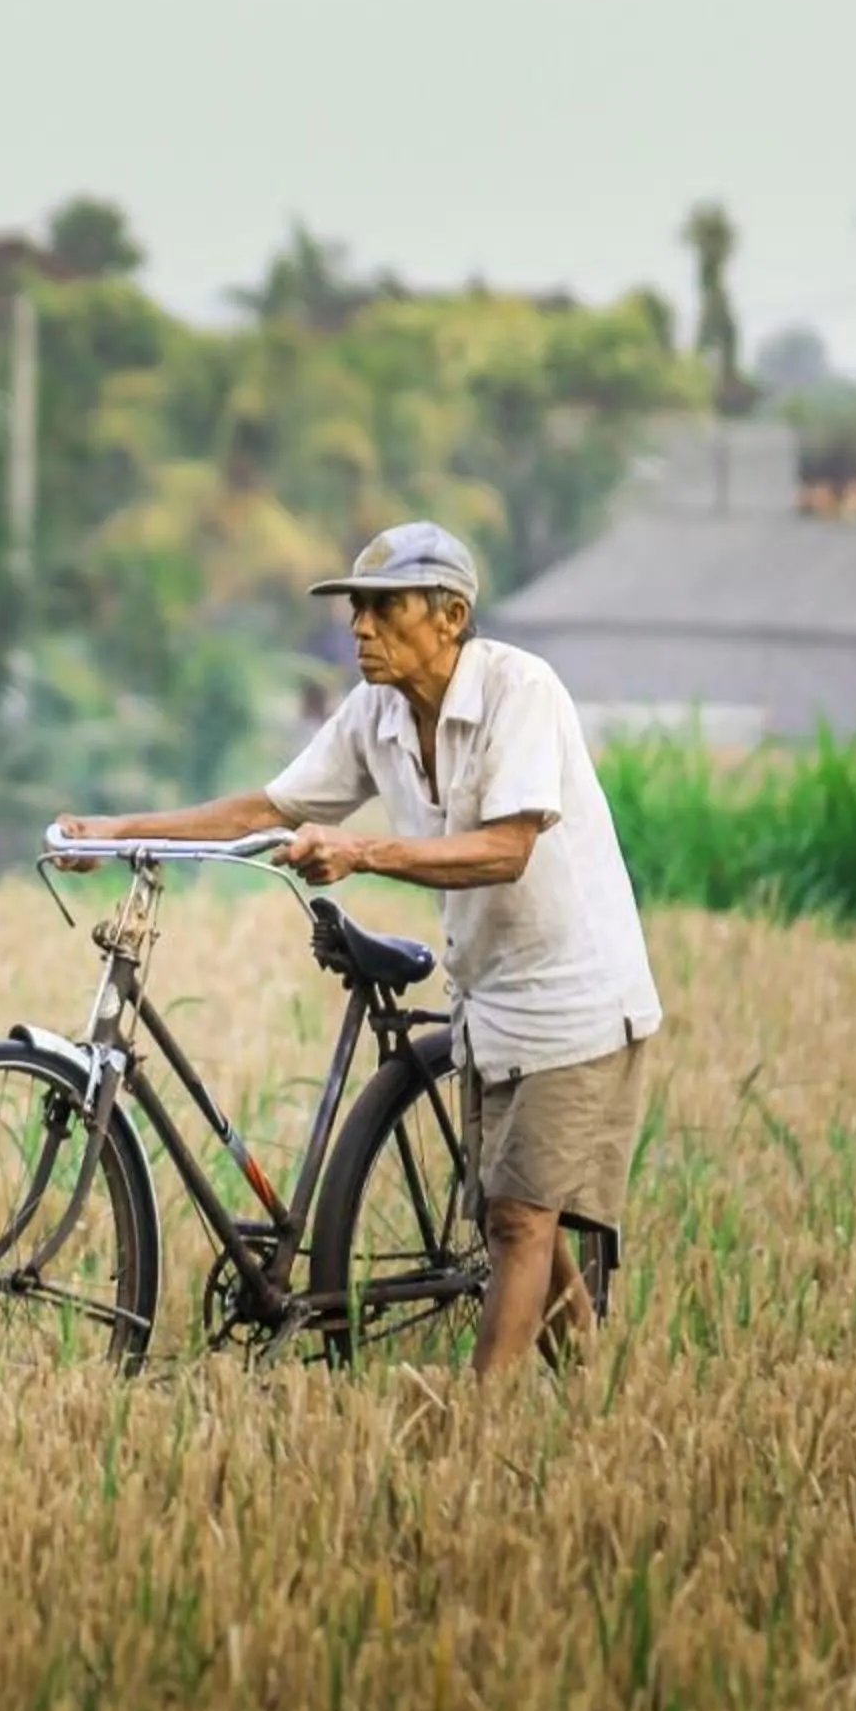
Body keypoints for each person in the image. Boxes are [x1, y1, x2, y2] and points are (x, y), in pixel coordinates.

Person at [55, 521, 662, 1380]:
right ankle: (595, 1387)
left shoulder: (522, 691)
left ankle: (471, 1440)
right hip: (487, 998)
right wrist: (120, 830)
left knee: (522, 1221)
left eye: (384, 608)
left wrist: (362, 851)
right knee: (514, 1211)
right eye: (356, 610)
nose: (360, 628)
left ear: (450, 616)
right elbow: (266, 809)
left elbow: (507, 848)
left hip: (575, 997)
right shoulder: (376, 715)